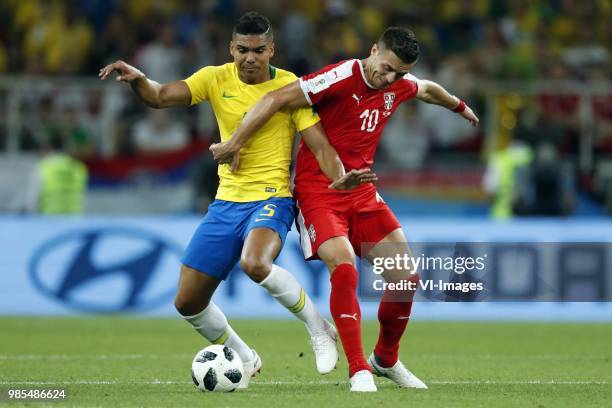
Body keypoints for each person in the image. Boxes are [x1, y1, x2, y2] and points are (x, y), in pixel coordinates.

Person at [99, 12, 375, 388]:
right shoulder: (215, 78)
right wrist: (138, 79)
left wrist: (339, 179)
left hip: (272, 198)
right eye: (242, 49)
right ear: (231, 48)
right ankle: (244, 355)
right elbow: (161, 96)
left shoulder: (291, 87)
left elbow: (320, 146)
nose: (250, 57)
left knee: (254, 262)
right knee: (187, 303)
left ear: (271, 49)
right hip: (226, 202)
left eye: (258, 50)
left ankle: (318, 328)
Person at [211, 26, 479, 392]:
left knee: (406, 279)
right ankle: (357, 370)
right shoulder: (339, 76)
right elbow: (275, 98)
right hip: (319, 191)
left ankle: (384, 360)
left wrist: (460, 107)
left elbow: (429, 89)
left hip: (362, 192)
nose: (390, 78)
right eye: (386, 68)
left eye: (399, 73)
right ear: (372, 50)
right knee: (345, 266)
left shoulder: (398, 84)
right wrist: (235, 142)